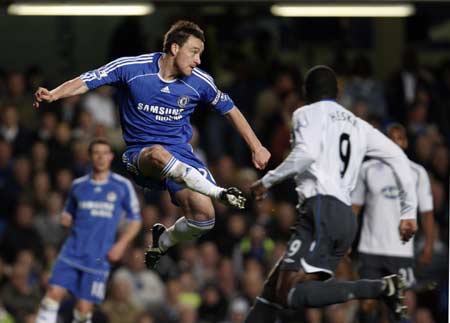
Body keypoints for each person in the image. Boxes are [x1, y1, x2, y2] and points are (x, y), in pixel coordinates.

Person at [33, 20, 270, 269]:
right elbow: (88, 80)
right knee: (158, 153)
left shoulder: (200, 82)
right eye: (194, 52)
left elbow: (230, 109)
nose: (199, 60)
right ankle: (219, 192)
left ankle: (162, 241)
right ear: (175, 48)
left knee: (204, 218)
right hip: (140, 154)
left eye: (201, 54)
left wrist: (257, 146)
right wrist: (54, 93)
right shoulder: (133, 68)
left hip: (180, 155)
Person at [246, 66, 418, 322]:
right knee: (276, 287)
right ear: (337, 92)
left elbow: (307, 154)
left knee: (288, 292)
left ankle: (380, 288)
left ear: (306, 92)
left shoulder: (305, 113)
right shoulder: (358, 125)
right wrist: (408, 212)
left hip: (320, 209)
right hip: (344, 219)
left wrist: (267, 181)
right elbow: (397, 156)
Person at [35, 138, 142, 323]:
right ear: (90, 157)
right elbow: (68, 213)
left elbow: (136, 219)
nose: (100, 157)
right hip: (72, 251)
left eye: (104, 153)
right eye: (96, 153)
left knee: (83, 309)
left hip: (98, 258)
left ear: (110, 157)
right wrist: (66, 219)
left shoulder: (122, 186)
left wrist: (121, 245)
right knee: (52, 294)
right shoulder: (78, 185)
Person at [352, 123, 435, 322]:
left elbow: (427, 213)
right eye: (390, 138)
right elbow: (355, 208)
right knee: (367, 304)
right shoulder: (367, 169)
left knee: (400, 307)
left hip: (401, 252)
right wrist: (346, 239)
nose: (395, 142)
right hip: (370, 250)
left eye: (399, 138)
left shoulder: (417, 173)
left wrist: (429, 245)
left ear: (405, 142)